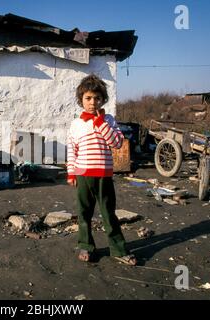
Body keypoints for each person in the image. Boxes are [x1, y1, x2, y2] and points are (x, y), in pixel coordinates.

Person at [67, 74, 137, 266]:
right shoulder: (76, 124)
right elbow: (72, 150)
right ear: (81, 100)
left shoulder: (109, 120)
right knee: (84, 213)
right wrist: (71, 173)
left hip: (104, 175)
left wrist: (100, 123)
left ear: (103, 99)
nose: (93, 102)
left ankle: (118, 249)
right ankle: (85, 246)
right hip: (83, 176)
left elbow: (116, 143)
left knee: (108, 213)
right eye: (88, 98)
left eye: (97, 98)